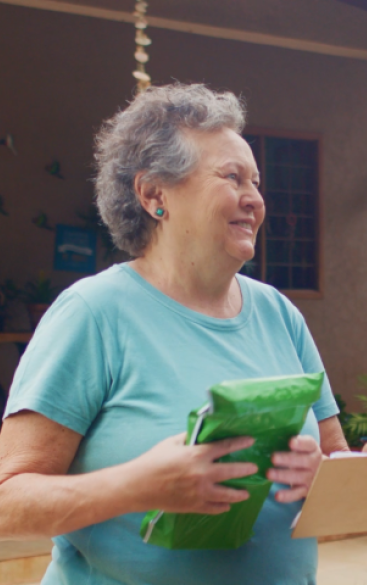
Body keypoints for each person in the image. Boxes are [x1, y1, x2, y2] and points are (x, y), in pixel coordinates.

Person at [0, 83, 347, 584]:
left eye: (256, 182)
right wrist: (135, 486)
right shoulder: (94, 314)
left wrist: (330, 477)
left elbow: (335, 458)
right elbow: (8, 499)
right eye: (232, 178)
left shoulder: (278, 313)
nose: (255, 199)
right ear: (154, 195)